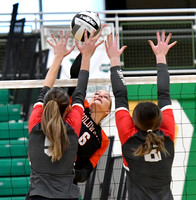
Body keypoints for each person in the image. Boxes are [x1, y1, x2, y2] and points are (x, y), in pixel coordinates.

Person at [26, 29, 104, 200]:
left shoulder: (35, 123)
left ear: (45, 107)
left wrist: (58, 56)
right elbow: (80, 90)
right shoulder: (72, 127)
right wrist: (87, 55)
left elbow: (45, 87)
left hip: (37, 196)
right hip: (66, 195)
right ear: (67, 110)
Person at [105, 30, 176, 199]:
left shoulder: (129, 138)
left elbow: (120, 95)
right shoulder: (167, 136)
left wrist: (114, 59)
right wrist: (161, 56)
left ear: (133, 121)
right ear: (159, 119)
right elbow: (164, 94)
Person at [68, 52, 111, 183]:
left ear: (108, 111)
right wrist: (84, 52)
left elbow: (86, 170)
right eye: (97, 93)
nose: (99, 96)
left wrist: (71, 174)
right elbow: (74, 76)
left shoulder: (103, 139)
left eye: (105, 97)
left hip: (68, 181)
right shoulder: (80, 106)